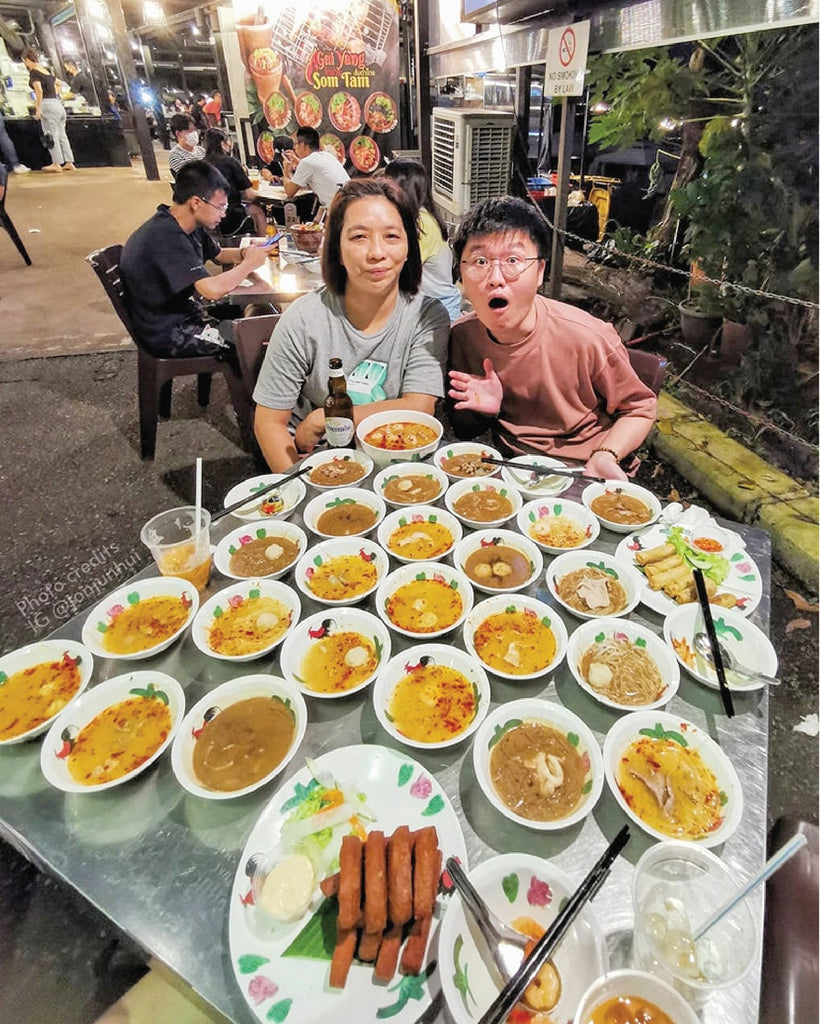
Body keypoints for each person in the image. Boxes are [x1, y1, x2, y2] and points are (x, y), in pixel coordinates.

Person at [447, 196, 657, 481]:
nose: (496, 277)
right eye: (480, 261)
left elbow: (640, 408)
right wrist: (486, 413)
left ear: (540, 272)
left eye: (513, 260)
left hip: (587, 470)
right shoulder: (462, 337)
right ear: (461, 271)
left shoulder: (588, 337)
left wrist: (606, 454)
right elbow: (464, 429)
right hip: (514, 470)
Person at [253, 177, 449, 471]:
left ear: (409, 248)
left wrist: (329, 416)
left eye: (392, 236)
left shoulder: (427, 316)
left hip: (395, 456)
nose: (377, 253)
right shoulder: (304, 319)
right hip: (318, 459)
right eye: (359, 237)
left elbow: (419, 406)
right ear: (337, 249)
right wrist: (298, 489)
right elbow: (269, 422)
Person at [119, 160, 269, 359]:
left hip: (187, 314)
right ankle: (253, 389)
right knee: (252, 336)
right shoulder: (166, 236)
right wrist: (249, 264)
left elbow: (218, 255)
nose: (223, 215)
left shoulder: (186, 225)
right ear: (196, 202)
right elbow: (212, 290)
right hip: (170, 331)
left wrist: (245, 253)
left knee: (263, 313)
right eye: (220, 207)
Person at [384, 158, 462, 322]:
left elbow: (400, 272)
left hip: (439, 311)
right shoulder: (416, 218)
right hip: (427, 308)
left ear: (401, 187)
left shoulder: (421, 224)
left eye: (387, 183)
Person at [202, 127, 266, 236]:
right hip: (231, 213)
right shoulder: (231, 162)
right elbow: (249, 195)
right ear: (222, 143)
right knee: (258, 210)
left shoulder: (201, 164)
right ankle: (264, 244)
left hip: (206, 214)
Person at [22, 48, 74, 173]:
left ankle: (56, 163)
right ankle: (69, 162)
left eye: (24, 61)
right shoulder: (45, 71)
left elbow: (38, 90)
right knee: (62, 135)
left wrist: (38, 109)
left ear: (28, 60)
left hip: (48, 105)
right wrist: (57, 93)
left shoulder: (34, 72)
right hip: (58, 105)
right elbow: (60, 83)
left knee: (51, 135)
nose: (25, 64)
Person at [282, 126, 349, 209]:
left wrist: (286, 171)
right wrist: (297, 161)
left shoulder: (307, 162)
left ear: (303, 145)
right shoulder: (327, 156)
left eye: (296, 144)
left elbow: (289, 191)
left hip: (337, 209)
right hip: (349, 203)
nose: (295, 148)